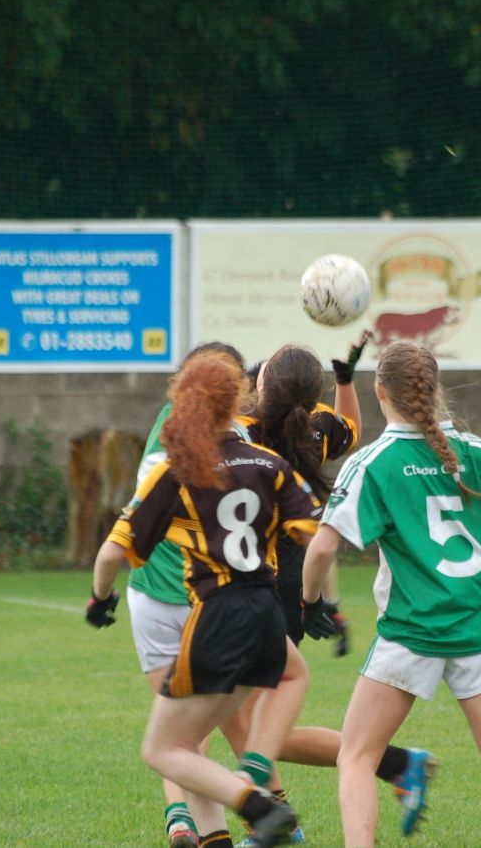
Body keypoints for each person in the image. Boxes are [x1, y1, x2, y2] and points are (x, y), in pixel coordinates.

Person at [301, 341, 481, 848]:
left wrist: (309, 603)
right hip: (474, 633)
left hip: (410, 635)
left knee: (357, 756)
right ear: (434, 391)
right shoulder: (478, 454)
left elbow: (323, 546)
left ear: (380, 391)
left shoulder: (376, 461)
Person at [87, 351, 321, 848]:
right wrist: (320, 599)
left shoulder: (178, 471)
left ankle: (260, 807)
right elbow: (314, 531)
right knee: (288, 678)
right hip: (266, 615)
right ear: (240, 400)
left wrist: (98, 599)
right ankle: (256, 778)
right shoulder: (270, 463)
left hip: (217, 617)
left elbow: (111, 555)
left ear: (183, 402)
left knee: (165, 749)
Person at [225, 339, 436, 844]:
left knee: (242, 718)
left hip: (256, 585)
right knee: (249, 720)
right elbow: (351, 431)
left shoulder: (245, 434)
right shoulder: (316, 428)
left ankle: (276, 820)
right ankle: (393, 765)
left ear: (263, 386)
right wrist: (344, 383)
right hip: (294, 585)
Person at [125, 341, 251, 848]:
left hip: (151, 594)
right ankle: (263, 809)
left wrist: (99, 591)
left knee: (175, 722)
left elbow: (132, 526)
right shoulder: (238, 439)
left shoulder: (169, 422)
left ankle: (182, 818)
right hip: (208, 593)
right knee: (235, 719)